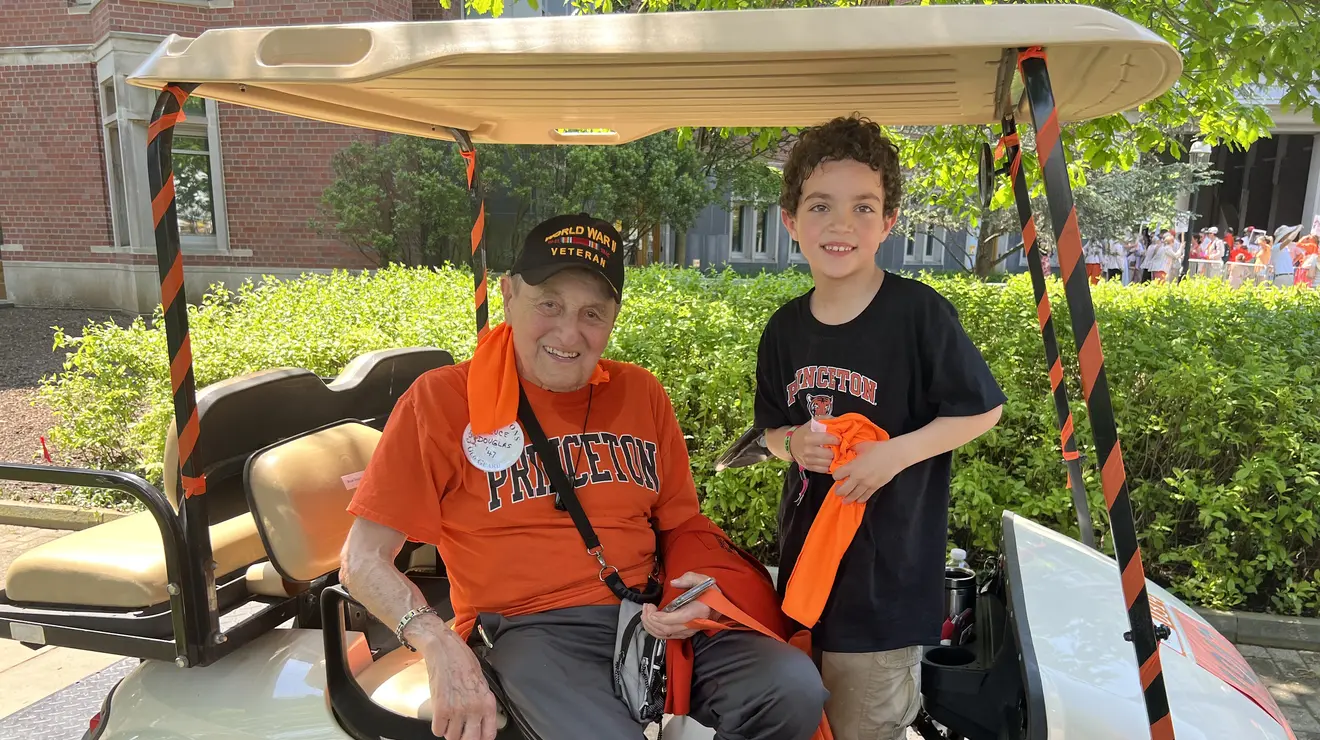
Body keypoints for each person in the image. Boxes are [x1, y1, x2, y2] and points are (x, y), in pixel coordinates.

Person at [339, 212, 827, 740]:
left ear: (614, 317)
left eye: (592, 312)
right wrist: (435, 641)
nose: (569, 332)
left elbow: (682, 526)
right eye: (549, 303)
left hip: (647, 616)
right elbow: (361, 560)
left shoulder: (641, 393)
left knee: (792, 688)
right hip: (529, 631)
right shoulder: (441, 400)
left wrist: (696, 593)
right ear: (507, 294)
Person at [752, 116, 1006, 740]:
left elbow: (982, 408)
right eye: (821, 206)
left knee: (866, 725)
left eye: (863, 207)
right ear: (790, 221)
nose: (841, 225)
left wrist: (893, 455)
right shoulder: (783, 329)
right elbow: (768, 434)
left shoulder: (917, 314)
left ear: (888, 222)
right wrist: (793, 444)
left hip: (886, 586)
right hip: (806, 578)